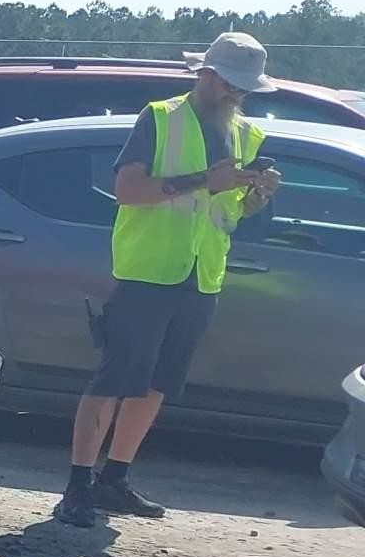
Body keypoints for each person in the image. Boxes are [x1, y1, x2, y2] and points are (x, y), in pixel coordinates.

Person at [55, 33, 283, 525]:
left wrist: (255, 198)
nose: (238, 96)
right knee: (116, 379)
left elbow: (226, 210)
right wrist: (205, 179)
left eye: (245, 89)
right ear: (207, 75)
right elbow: (128, 190)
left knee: (158, 384)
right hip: (147, 273)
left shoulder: (246, 133)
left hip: (202, 277)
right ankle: (76, 486)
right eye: (232, 86)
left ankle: (114, 479)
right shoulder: (160, 117)